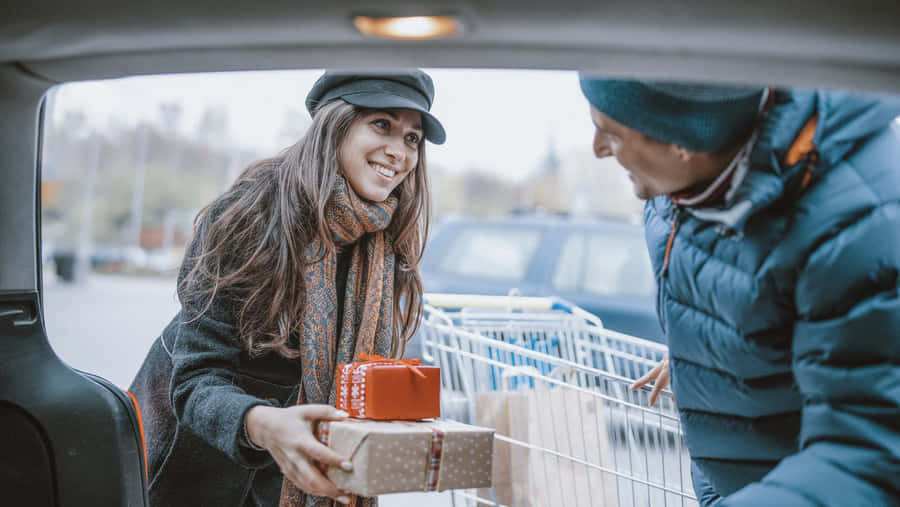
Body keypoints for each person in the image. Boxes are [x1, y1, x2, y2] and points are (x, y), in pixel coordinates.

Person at [128, 69, 446, 507]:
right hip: (196, 466)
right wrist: (266, 424)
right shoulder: (247, 217)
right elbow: (196, 381)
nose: (399, 151)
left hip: (301, 472)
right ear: (336, 126)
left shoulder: (384, 234)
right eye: (382, 124)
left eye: (412, 138)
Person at [579, 77, 900, 505]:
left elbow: (870, 458)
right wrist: (707, 347)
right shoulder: (677, 187)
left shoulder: (863, 231)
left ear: (681, 142)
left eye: (611, 132)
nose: (598, 148)